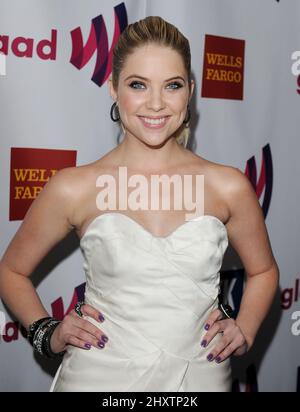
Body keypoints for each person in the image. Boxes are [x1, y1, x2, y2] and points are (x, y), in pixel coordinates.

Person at [0, 16, 279, 392]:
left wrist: (244, 328)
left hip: (200, 379)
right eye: (138, 85)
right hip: (96, 379)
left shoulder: (229, 187)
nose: (156, 104)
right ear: (114, 88)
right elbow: (11, 272)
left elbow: (263, 272)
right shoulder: (74, 187)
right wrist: (46, 332)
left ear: (190, 91)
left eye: (172, 85)